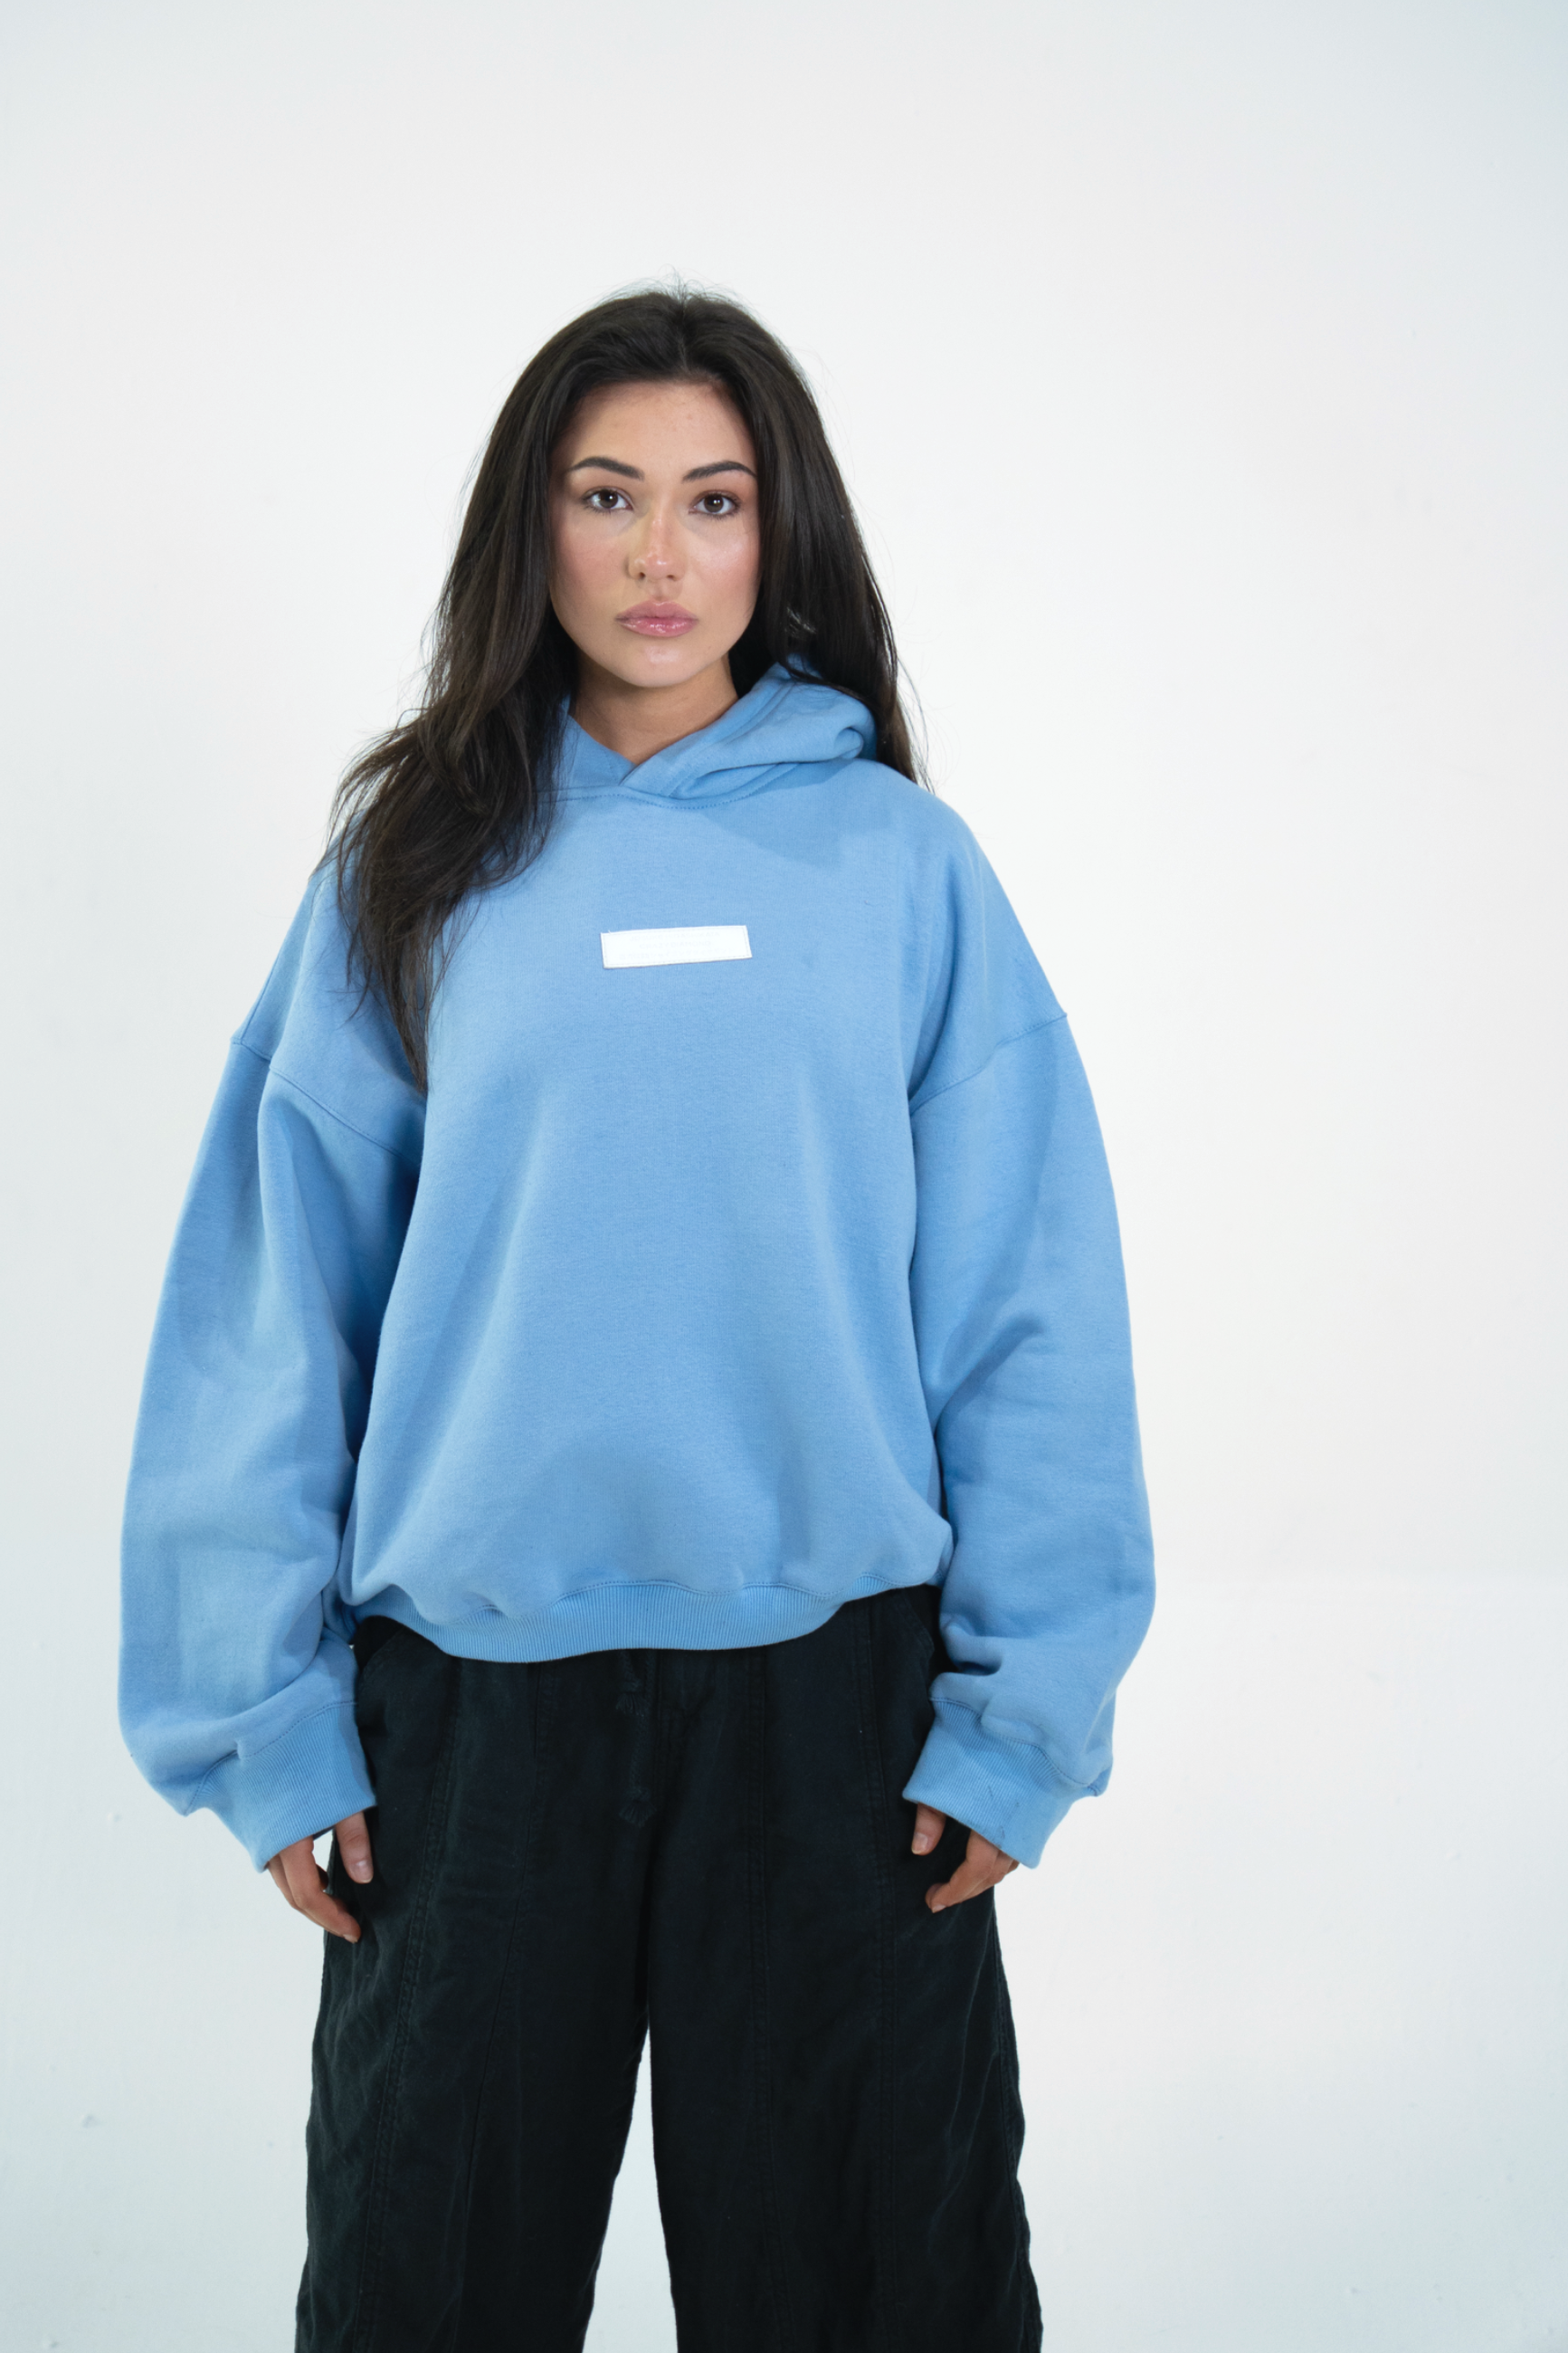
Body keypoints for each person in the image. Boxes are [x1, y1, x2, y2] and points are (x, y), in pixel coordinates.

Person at [119, 286, 1154, 2352]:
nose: (659, 555)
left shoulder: (900, 867)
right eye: (607, 497)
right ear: (535, 523)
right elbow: (276, 1298)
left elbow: (1026, 1300)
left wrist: (1021, 1704)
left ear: (783, 532)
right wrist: (265, 1714)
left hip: (839, 1710)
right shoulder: (415, 863)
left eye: (713, 500)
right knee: (428, 2286)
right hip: (471, 1716)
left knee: (880, 2292)